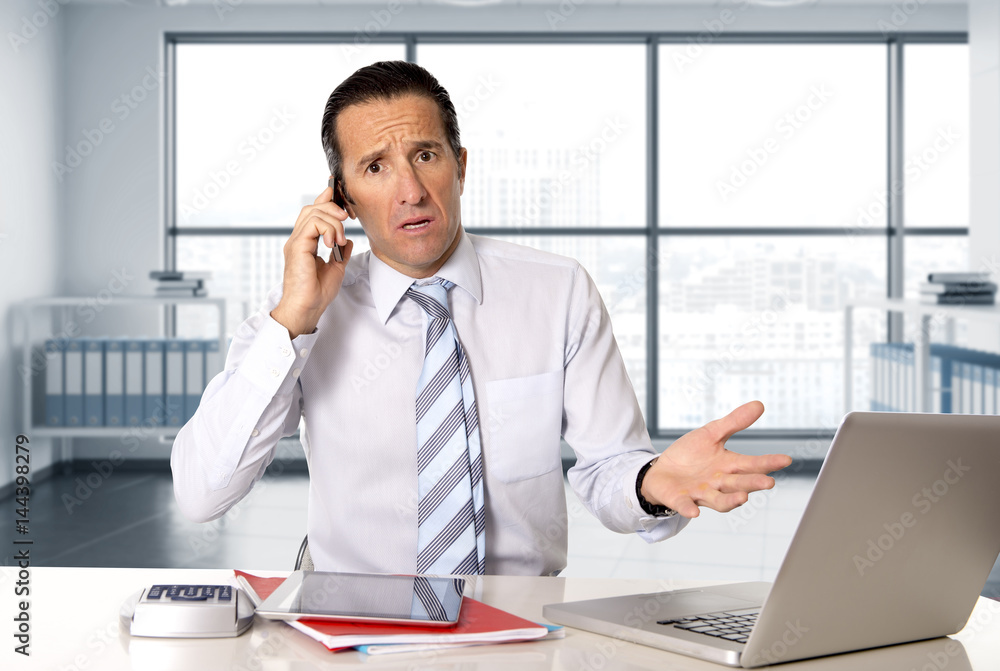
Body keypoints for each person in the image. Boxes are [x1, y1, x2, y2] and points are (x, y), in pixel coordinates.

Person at [170, 60, 792, 576]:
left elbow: (609, 468)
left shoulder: (558, 291)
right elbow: (202, 494)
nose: (410, 190)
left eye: (426, 155)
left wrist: (652, 482)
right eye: (376, 168)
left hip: (520, 623)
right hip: (352, 626)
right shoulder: (299, 322)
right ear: (343, 197)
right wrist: (294, 321)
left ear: (460, 166)